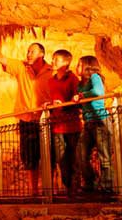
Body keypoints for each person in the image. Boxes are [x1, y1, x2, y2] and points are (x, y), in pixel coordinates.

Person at [0, 36, 52, 196]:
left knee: (49, 154)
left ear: (41, 54)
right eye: (27, 51)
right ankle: (34, 191)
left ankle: (51, 188)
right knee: (29, 156)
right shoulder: (22, 67)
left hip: (46, 119)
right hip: (26, 119)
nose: (28, 54)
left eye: (32, 51)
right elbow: (2, 59)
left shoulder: (51, 71)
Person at [73, 55, 113, 193]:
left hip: (100, 120)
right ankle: (91, 182)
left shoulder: (95, 77)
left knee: (104, 155)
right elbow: (83, 103)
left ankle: (107, 186)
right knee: (80, 154)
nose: (76, 67)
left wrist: (82, 96)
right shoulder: (79, 85)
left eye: (79, 65)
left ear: (87, 66)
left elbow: (97, 92)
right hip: (88, 121)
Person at [46, 49, 82, 196]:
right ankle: (68, 187)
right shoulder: (51, 80)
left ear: (66, 63)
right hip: (57, 125)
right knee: (61, 159)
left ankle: (76, 187)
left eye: (57, 59)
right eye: (53, 59)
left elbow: (77, 101)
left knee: (73, 157)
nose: (53, 62)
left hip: (72, 124)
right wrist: (49, 104)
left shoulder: (73, 79)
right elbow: (52, 99)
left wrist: (65, 104)